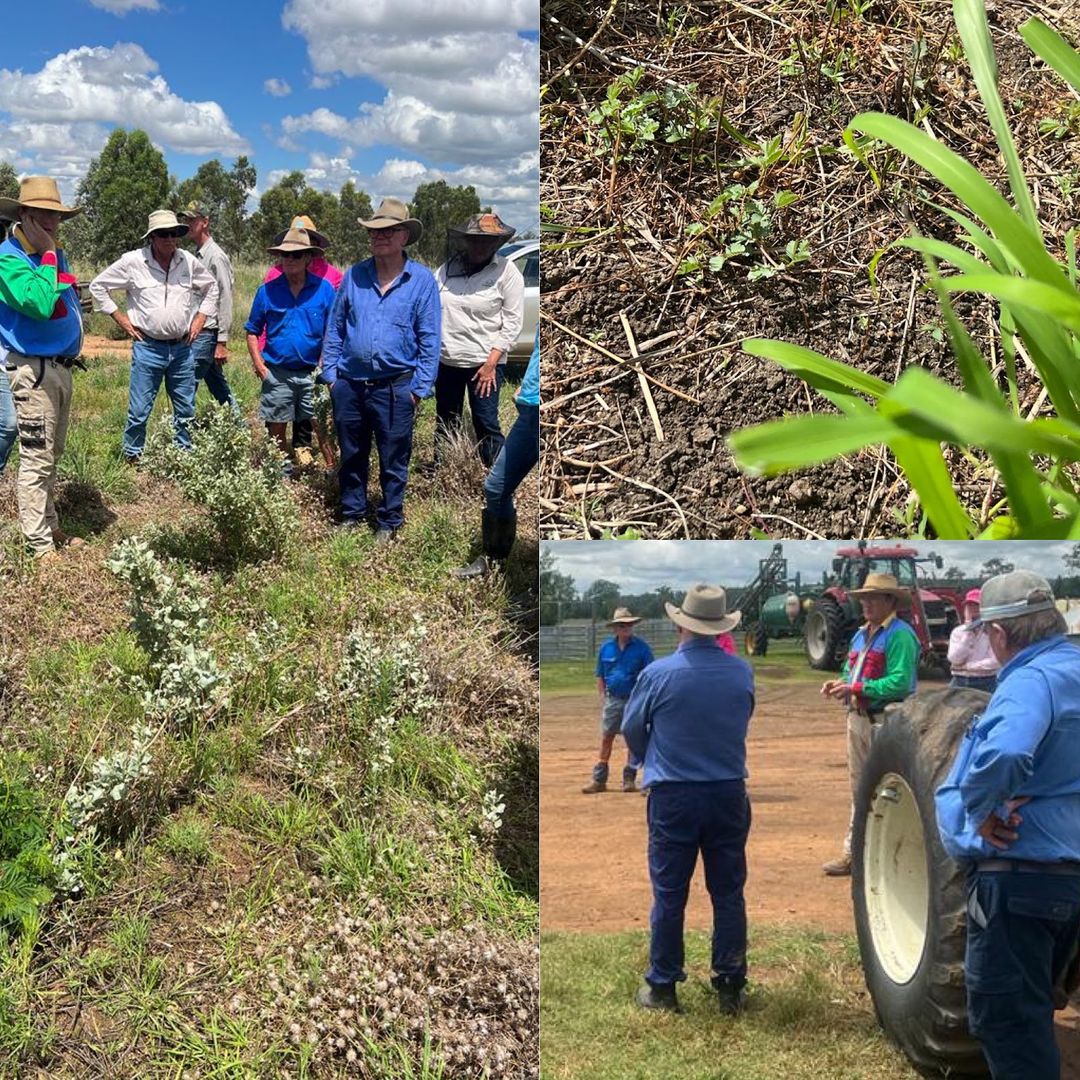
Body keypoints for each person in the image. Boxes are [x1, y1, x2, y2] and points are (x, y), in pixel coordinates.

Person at [935, 570, 1080, 1080]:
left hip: (1019, 877)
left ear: (998, 633)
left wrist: (979, 811)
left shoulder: (1030, 680)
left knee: (1009, 1023)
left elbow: (1009, 750)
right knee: (1034, 1004)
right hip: (1069, 876)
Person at [622, 584, 754, 1015]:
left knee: (669, 893)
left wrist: (649, 757)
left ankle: (663, 985)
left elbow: (632, 728)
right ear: (721, 629)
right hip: (727, 790)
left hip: (674, 793)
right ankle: (730, 984)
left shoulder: (658, 674)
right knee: (728, 892)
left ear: (681, 624)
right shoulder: (741, 672)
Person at [322, 198, 440, 543]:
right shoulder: (354, 276)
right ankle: (352, 513)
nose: (379, 236)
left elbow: (430, 339)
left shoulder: (421, 281)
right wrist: (331, 377)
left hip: (396, 387)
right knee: (352, 453)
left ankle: (389, 520)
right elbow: (336, 327)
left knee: (394, 456)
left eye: (388, 231)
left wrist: (418, 389)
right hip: (349, 384)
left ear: (404, 236)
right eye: (375, 231)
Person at [89, 209, 218, 462]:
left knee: (186, 407)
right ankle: (133, 456)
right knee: (139, 409)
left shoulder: (187, 261)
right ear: (152, 237)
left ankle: (183, 456)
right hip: (148, 347)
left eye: (173, 233)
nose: (169, 239)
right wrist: (121, 320)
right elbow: (98, 286)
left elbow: (211, 287)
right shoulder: (133, 262)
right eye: (163, 234)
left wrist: (200, 319)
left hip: (182, 348)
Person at [0, 176, 85, 556]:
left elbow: (61, 299)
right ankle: (39, 546)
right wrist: (50, 254)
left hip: (59, 367)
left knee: (52, 453)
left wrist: (51, 255)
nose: (52, 222)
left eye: (56, 216)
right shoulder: (8, 258)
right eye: (42, 214)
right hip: (33, 372)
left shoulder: (51, 254)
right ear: (24, 215)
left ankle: (50, 526)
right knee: (36, 457)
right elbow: (37, 303)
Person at [820, 573, 919, 876]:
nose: (866, 603)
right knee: (859, 788)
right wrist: (840, 683)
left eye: (873, 597)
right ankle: (856, 853)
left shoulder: (901, 635)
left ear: (890, 601)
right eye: (863, 598)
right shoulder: (861, 635)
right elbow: (850, 672)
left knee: (887, 788)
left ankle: (884, 856)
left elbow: (901, 682)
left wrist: (857, 688)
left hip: (885, 721)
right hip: (858, 719)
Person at [434, 213, 524, 466]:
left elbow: (513, 322)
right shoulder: (446, 270)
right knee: (446, 419)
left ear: (496, 243)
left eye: (486, 240)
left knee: (485, 421)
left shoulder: (507, 271)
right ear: (465, 240)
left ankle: (497, 476)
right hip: (447, 361)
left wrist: (490, 364)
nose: (480, 245)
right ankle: (443, 469)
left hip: (484, 363)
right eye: (475, 239)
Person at [244, 228, 336, 468]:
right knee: (276, 426)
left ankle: (332, 470)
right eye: (285, 255)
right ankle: (280, 472)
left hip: (313, 373)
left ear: (308, 257)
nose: (290, 260)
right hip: (277, 372)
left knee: (322, 425)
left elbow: (333, 330)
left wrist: (326, 364)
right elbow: (252, 331)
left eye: (296, 255)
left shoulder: (325, 290)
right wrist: (260, 366)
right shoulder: (267, 291)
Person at [452, 327, 539, 578]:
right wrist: (527, 384)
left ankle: (533, 583)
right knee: (495, 487)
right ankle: (494, 562)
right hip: (530, 409)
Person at [582, 607, 655, 794]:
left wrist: (645, 698)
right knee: (607, 736)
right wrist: (603, 696)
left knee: (632, 738)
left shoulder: (642, 648)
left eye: (629, 625)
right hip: (613, 699)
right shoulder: (606, 648)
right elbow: (600, 674)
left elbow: (650, 674)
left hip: (634, 700)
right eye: (622, 625)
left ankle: (629, 778)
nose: (626, 628)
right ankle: (599, 779)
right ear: (615, 628)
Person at [177, 202, 236, 409]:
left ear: (205, 222)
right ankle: (237, 423)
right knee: (218, 386)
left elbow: (225, 298)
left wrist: (222, 341)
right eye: (186, 220)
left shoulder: (215, 257)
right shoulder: (198, 254)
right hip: (198, 332)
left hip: (206, 333)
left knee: (185, 385)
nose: (188, 224)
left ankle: (181, 428)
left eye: (192, 219)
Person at [947, 588, 1000, 693]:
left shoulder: (992, 632)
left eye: (976, 606)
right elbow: (954, 659)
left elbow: (995, 661)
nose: (973, 611)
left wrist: (968, 667)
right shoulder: (958, 632)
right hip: (959, 681)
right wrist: (968, 634)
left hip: (985, 681)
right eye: (969, 606)